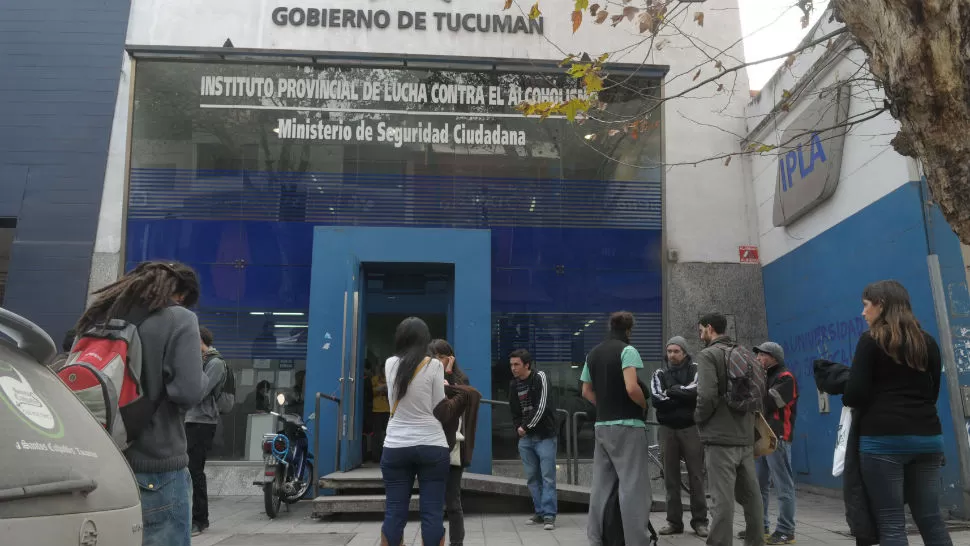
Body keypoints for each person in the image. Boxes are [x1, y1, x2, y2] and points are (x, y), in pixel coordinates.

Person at [74, 261, 206, 546]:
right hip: (157, 468)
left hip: (102, 466)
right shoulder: (179, 319)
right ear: (181, 294)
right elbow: (188, 392)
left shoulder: (100, 316)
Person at [843, 280, 953, 546]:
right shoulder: (927, 341)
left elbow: (854, 395)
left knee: (891, 520)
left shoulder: (870, 340)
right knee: (930, 517)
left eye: (866, 306)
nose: (863, 313)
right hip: (928, 438)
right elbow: (933, 392)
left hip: (883, 441)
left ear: (881, 305)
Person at [582, 311, 654, 546]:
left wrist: (604, 405)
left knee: (601, 485)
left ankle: (595, 538)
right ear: (629, 330)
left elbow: (586, 391)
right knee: (633, 486)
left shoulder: (593, 353)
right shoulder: (627, 350)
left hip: (602, 425)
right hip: (628, 426)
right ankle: (636, 541)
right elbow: (632, 387)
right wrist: (643, 406)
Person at [694, 312, 765, 546]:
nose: (699, 333)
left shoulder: (708, 355)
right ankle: (755, 541)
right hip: (745, 436)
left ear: (710, 328)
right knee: (752, 496)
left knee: (722, 500)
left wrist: (698, 419)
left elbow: (706, 396)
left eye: (701, 328)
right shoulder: (744, 352)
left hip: (719, 438)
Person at [381, 317, 451, 546]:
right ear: (425, 340)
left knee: (394, 511)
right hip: (432, 445)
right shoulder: (435, 365)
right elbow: (439, 407)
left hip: (396, 446)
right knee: (432, 513)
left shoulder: (390, 364)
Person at [650, 335, 709, 537]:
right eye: (669, 351)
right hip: (667, 430)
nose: (672, 355)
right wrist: (682, 397)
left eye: (676, 351)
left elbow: (697, 391)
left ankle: (700, 521)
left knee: (696, 476)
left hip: (690, 428)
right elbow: (657, 399)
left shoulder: (695, 369)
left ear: (684, 352)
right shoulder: (659, 373)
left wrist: (672, 392)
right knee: (670, 477)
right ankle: (674, 521)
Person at [430, 339, 481, 546]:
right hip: (431, 444)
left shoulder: (460, 379)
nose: (438, 361)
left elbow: (457, 402)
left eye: (442, 357)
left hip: (453, 445)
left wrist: (448, 373)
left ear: (450, 357)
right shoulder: (425, 378)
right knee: (432, 501)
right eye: (434, 357)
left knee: (453, 501)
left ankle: (456, 542)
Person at [752, 341, 798, 545]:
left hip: (777, 437)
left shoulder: (785, 378)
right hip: (762, 435)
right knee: (758, 484)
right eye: (758, 355)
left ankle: (786, 530)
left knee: (783, 486)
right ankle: (760, 527)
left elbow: (770, 402)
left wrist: (752, 390)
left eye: (762, 355)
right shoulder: (765, 377)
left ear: (773, 357)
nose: (758, 359)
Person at [508, 348, 558, 530]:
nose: (513, 368)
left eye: (517, 364)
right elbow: (514, 411)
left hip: (544, 436)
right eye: (511, 365)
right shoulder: (513, 385)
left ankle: (549, 515)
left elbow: (542, 406)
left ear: (527, 365)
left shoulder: (540, 377)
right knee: (532, 478)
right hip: (525, 438)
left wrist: (525, 426)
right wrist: (518, 428)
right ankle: (539, 512)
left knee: (548, 477)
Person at [184, 326, 227, 537]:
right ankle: (192, 517)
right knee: (187, 471)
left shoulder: (215, 363)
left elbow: (200, 391)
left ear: (200, 340)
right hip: (188, 419)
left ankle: (200, 519)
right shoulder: (199, 361)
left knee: (195, 470)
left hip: (203, 422)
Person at [371, 365, 391, 463]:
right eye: (384, 368)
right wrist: (381, 388)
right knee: (377, 435)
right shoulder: (374, 379)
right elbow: (371, 392)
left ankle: (387, 455)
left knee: (389, 434)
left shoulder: (390, 379)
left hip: (388, 409)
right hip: (377, 410)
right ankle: (376, 456)